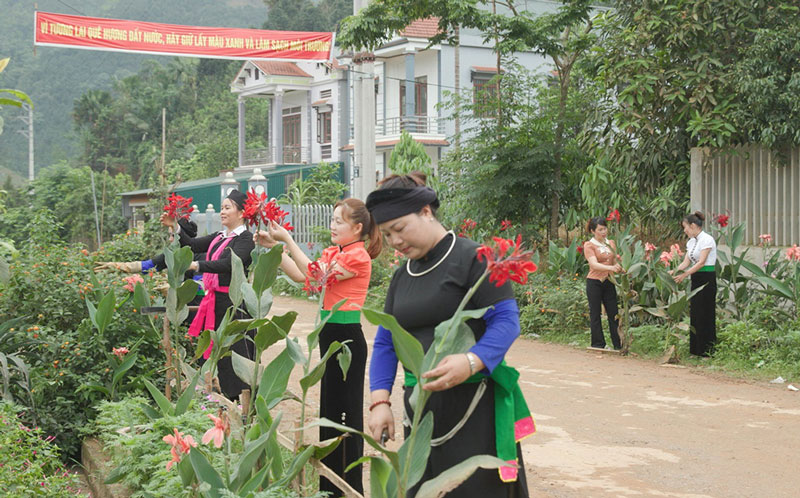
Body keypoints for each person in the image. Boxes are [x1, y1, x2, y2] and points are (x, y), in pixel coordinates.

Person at [365, 172, 532, 497]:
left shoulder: (475, 259)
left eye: (399, 229)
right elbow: (387, 340)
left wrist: (472, 361)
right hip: (421, 411)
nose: (395, 241)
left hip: (472, 408)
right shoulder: (402, 276)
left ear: (426, 211)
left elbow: (507, 322)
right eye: (387, 234)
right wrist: (379, 402)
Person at [254, 198, 381, 496]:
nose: (332, 225)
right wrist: (276, 248)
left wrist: (287, 238)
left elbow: (315, 274)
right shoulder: (335, 253)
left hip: (346, 337)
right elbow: (301, 277)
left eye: (338, 221)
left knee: (346, 413)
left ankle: (348, 486)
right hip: (329, 334)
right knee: (330, 409)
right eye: (333, 219)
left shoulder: (358, 256)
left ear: (357, 227)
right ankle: (329, 485)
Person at [161, 189, 255, 399]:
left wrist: (197, 265)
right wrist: (174, 226)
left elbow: (229, 264)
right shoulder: (220, 236)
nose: (222, 212)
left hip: (235, 305)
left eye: (227, 208)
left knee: (235, 356)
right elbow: (192, 244)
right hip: (216, 303)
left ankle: (242, 407)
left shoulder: (246, 239)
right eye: (221, 208)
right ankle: (220, 403)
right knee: (217, 357)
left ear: (241, 213)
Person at [670, 211, 717, 357]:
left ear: (693, 225)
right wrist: (675, 270)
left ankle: (707, 350)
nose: (684, 230)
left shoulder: (707, 240)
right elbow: (687, 261)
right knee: (696, 313)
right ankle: (695, 350)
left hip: (707, 278)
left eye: (685, 227)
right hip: (695, 278)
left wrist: (685, 275)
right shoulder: (691, 242)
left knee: (706, 313)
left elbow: (702, 262)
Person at [582, 217, 624, 350]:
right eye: (600, 229)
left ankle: (618, 344)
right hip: (594, 282)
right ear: (593, 231)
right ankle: (598, 344)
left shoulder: (610, 243)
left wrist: (621, 268)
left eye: (604, 228)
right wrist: (611, 268)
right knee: (595, 313)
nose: (603, 232)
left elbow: (614, 262)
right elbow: (594, 265)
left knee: (614, 313)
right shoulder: (589, 245)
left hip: (609, 281)